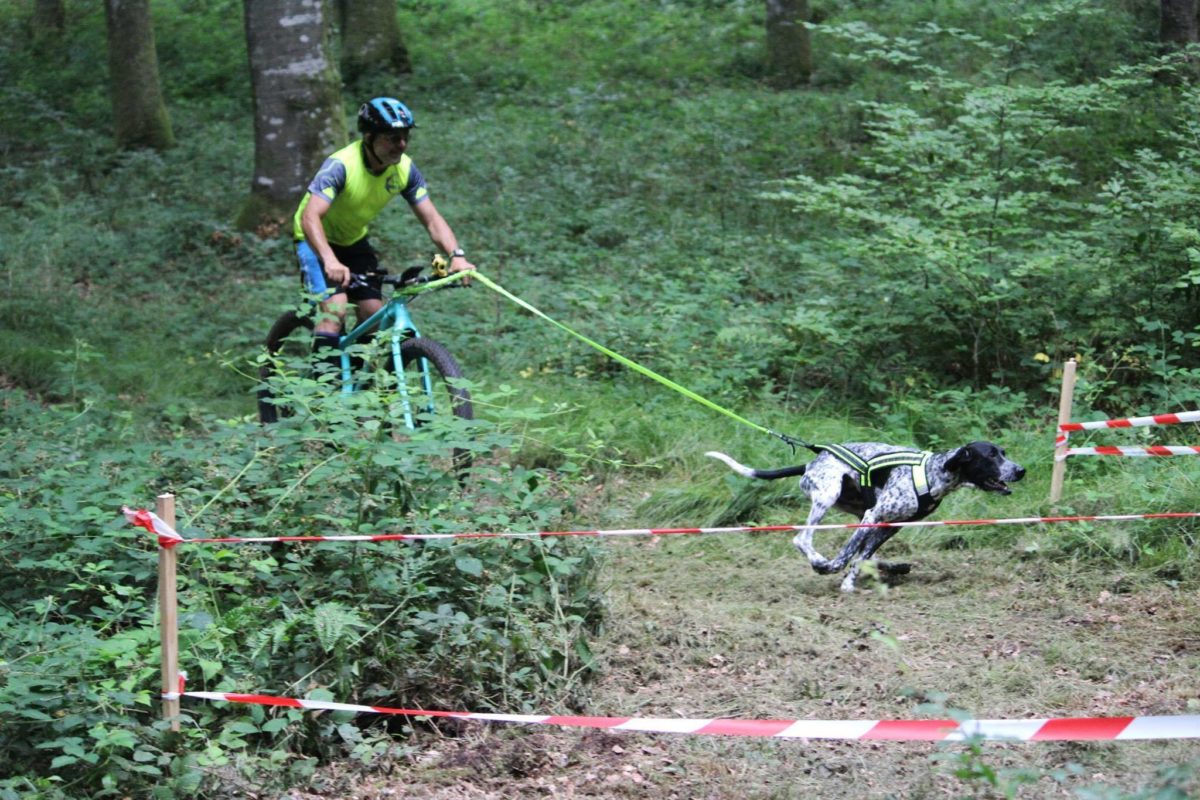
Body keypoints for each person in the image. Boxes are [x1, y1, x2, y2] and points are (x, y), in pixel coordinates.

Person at [292, 96, 476, 366]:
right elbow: (310, 217)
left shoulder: (404, 169)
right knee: (334, 310)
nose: (400, 145)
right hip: (314, 238)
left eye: (405, 137)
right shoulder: (341, 165)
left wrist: (456, 254)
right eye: (392, 138)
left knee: (372, 313)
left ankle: (353, 383)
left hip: (352, 240)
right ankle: (323, 396)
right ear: (369, 137)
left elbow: (432, 219)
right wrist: (329, 259)